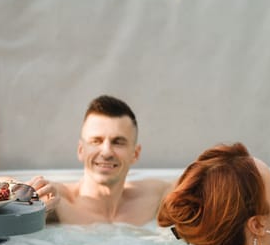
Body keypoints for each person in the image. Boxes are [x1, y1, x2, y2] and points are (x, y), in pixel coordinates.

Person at [28, 95, 173, 225]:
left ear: (135, 154)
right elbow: (8, 185)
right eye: (96, 141)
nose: (106, 152)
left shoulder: (153, 197)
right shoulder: (58, 201)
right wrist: (29, 196)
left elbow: (192, 184)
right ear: (81, 150)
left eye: (118, 142)